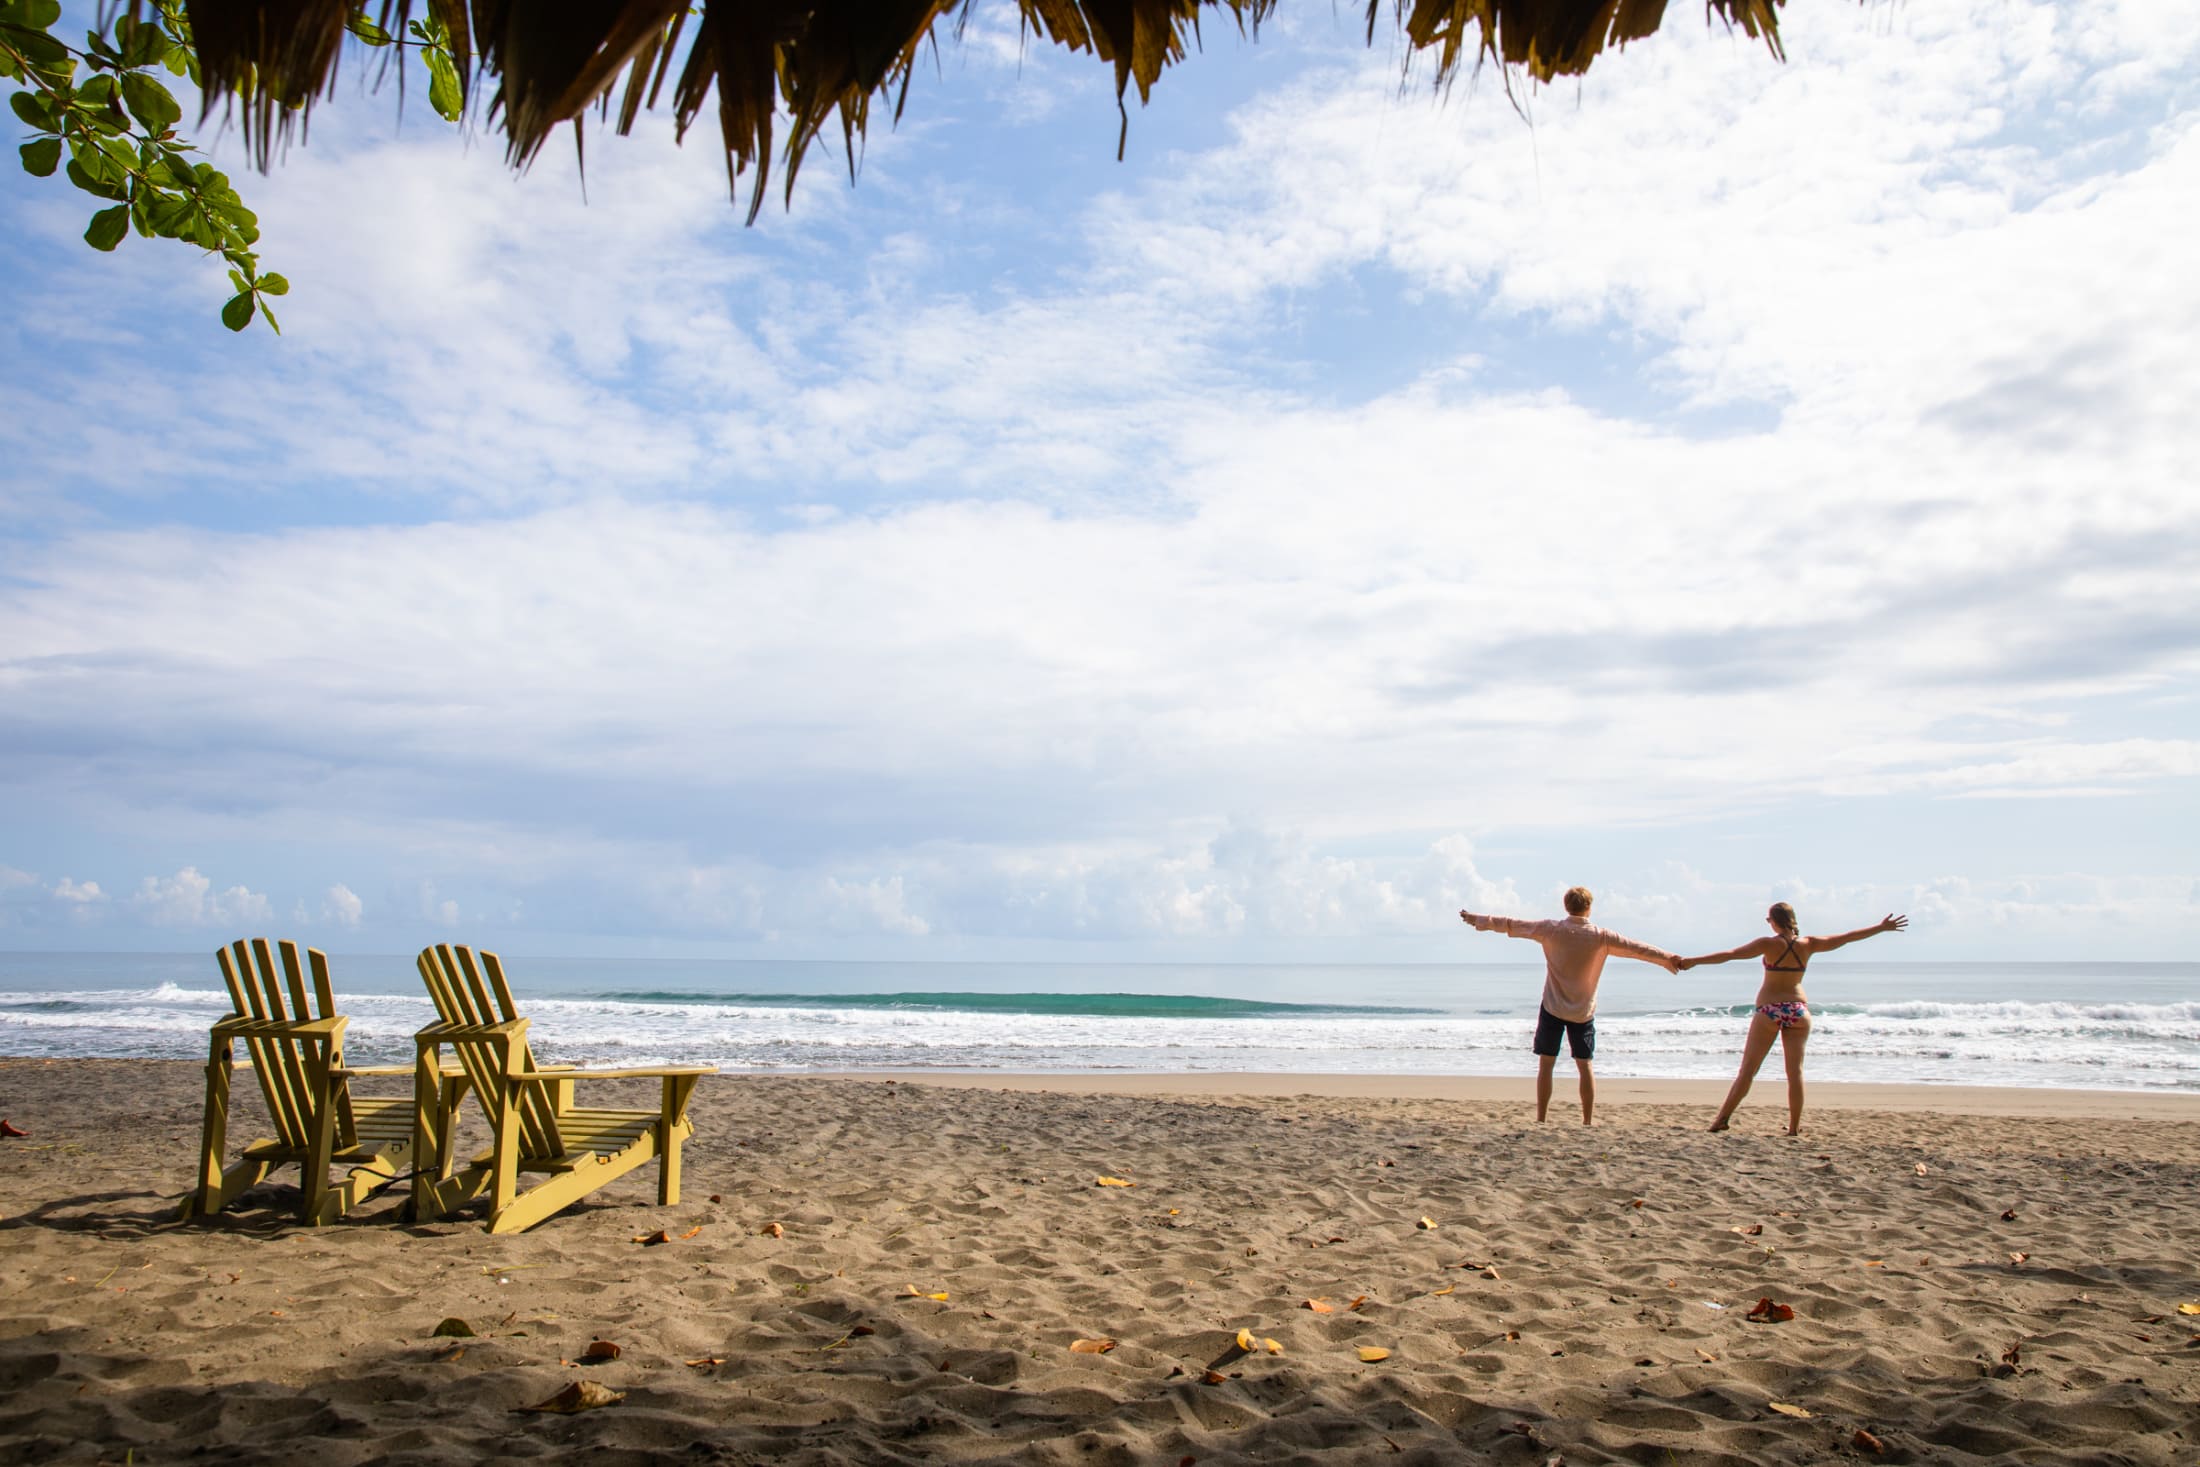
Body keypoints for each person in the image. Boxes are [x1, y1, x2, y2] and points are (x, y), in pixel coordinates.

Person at [1459, 887, 1680, 1125]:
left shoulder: (1551, 930)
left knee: (1546, 1064)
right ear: (1589, 908)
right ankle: (1587, 1121)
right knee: (1585, 1066)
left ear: (1566, 906)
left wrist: (1478, 920)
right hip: (1582, 1012)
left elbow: (1512, 925)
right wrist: (1668, 959)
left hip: (1553, 1007)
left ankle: (1541, 1119)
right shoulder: (1601, 936)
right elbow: (1638, 949)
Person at [1681, 904, 1908, 1134]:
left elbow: (1729, 956)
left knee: (1748, 1071)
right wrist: (1881, 928)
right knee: (1795, 1072)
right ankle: (1794, 1128)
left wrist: (1693, 961)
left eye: (1768, 919)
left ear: (1774, 920)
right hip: (1798, 1010)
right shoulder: (1809, 944)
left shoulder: (1768, 944)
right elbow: (1847, 938)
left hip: (1769, 1010)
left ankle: (1721, 1119)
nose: (1768, 922)